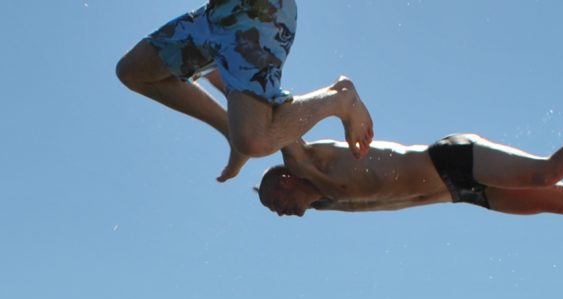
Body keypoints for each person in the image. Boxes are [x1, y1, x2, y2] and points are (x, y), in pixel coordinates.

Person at [116, 1, 374, 182]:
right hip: (217, 15)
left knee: (253, 140)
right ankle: (230, 127)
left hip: (258, 14)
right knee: (133, 71)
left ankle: (339, 99)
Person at [254, 118, 563, 218]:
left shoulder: (309, 161)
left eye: (276, 200)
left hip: (449, 158)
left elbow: (270, 122)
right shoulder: (326, 203)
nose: (280, 211)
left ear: (287, 179)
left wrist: (222, 75)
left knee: (546, 172)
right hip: (461, 192)